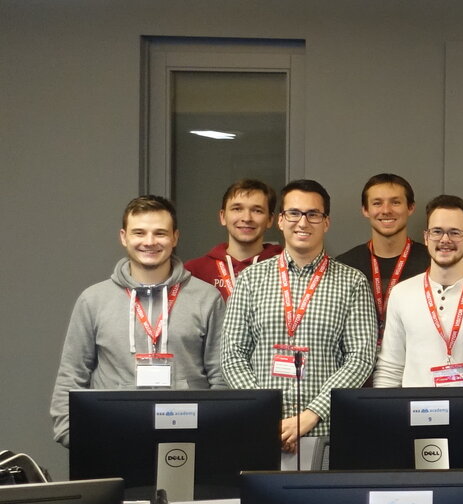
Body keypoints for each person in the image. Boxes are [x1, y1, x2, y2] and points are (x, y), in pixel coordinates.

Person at [218, 180, 378, 460]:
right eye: (293, 213)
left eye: (313, 214)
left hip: (325, 431)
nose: (302, 222)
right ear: (280, 220)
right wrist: (266, 415)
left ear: (326, 222)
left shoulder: (352, 281)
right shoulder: (251, 279)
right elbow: (232, 354)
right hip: (262, 431)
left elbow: (361, 357)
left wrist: (312, 414)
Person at [52, 195, 226, 446]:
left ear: (175, 237)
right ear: (124, 237)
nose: (149, 242)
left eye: (160, 233)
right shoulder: (93, 299)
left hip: (187, 439)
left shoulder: (206, 298)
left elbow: (220, 378)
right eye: (139, 233)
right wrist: (71, 433)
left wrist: (211, 434)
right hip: (111, 437)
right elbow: (71, 373)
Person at [372, 195, 463, 387]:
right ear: (426, 237)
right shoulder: (402, 294)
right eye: (437, 231)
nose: (445, 240)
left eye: (455, 233)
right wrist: (385, 414)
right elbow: (390, 368)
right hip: (416, 412)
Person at [335, 174, 431, 337]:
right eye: (377, 203)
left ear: (411, 208)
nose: (386, 210)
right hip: (361, 360)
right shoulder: (344, 266)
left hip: (414, 359)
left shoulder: (430, 263)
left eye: (395, 202)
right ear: (365, 210)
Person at [184, 179, 281, 299]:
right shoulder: (194, 271)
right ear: (223, 216)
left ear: (270, 220)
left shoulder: (285, 267)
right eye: (237, 209)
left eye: (257, 210)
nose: (246, 218)